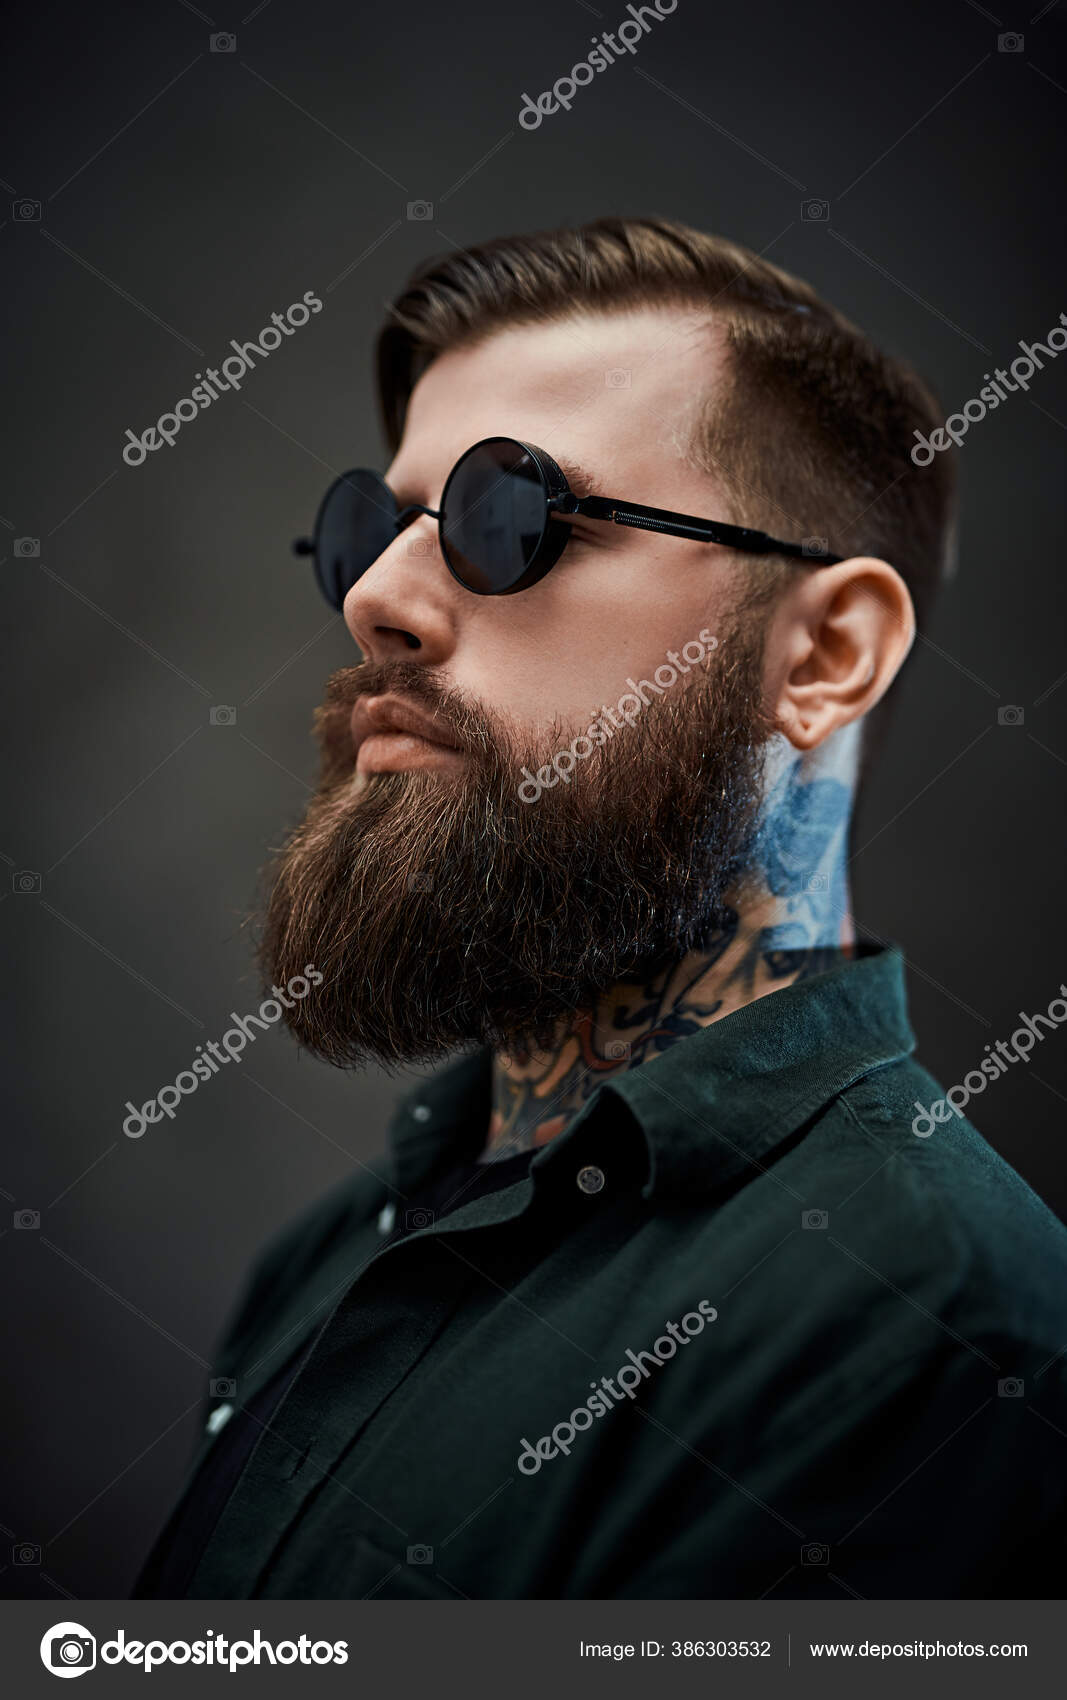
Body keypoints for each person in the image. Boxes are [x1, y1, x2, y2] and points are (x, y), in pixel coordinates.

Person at [134, 217, 1067, 1601]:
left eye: (505, 519)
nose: (379, 600)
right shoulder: (334, 1258)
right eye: (367, 531)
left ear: (823, 651)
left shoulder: (937, 1333)